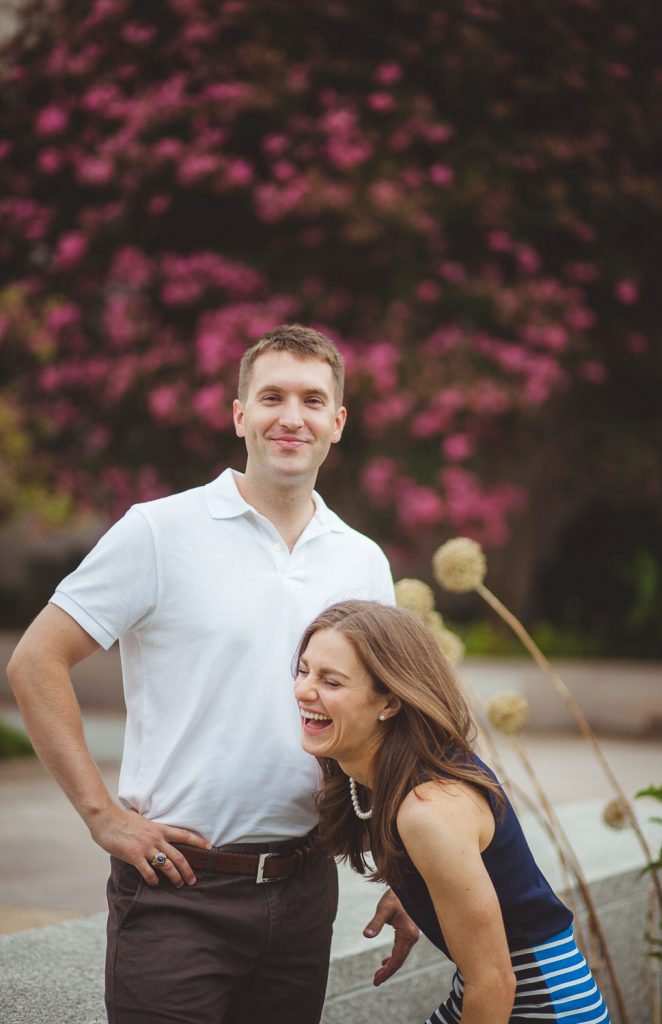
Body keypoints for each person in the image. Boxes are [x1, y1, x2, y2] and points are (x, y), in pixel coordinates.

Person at [7, 325, 419, 1024]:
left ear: (337, 423)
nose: (292, 417)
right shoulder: (160, 532)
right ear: (239, 415)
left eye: (313, 400)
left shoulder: (361, 560)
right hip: (176, 890)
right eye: (272, 397)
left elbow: (393, 722)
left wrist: (408, 867)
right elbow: (35, 661)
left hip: (304, 888)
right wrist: (102, 816)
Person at [294, 600, 612, 1024]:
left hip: (540, 1004)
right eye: (303, 670)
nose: (303, 690)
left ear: (391, 701)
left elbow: (495, 980)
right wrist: (412, 889)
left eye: (331, 681)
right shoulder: (389, 770)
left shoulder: (429, 809)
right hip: (491, 991)